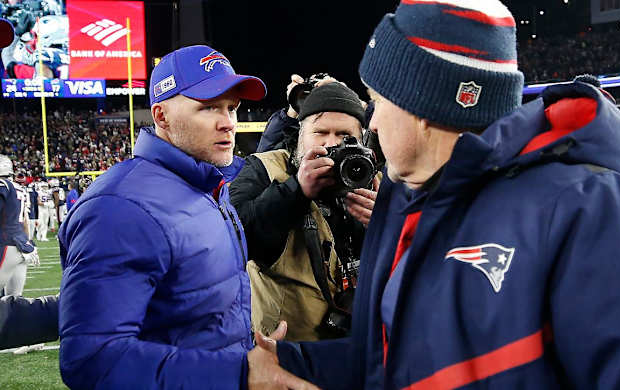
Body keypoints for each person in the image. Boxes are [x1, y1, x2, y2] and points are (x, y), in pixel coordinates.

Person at [254, 2, 620, 389]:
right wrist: (291, 363)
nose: (371, 124)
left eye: (379, 100)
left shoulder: (590, 213)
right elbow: (394, 365)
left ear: (423, 107)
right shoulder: (404, 199)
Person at [58, 45, 315, 390]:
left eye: (232, 108)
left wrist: (245, 352)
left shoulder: (206, 182)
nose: (228, 123)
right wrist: (237, 373)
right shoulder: (121, 206)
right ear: (161, 116)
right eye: (208, 107)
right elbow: (92, 360)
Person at [229, 82, 379, 341]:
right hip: (288, 351)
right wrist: (295, 191)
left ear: (362, 138)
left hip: (359, 345)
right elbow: (235, 238)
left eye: (344, 135)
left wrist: (386, 224)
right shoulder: (265, 168)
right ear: (300, 134)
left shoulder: (372, 177)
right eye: (320, 132)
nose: (332, 143)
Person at [0, 155, 40, 296]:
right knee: (13, 301)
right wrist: (27, 241)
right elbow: (24, 221)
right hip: (22, 246)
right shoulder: (20, 189)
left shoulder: (3, 186)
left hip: (6, 244)